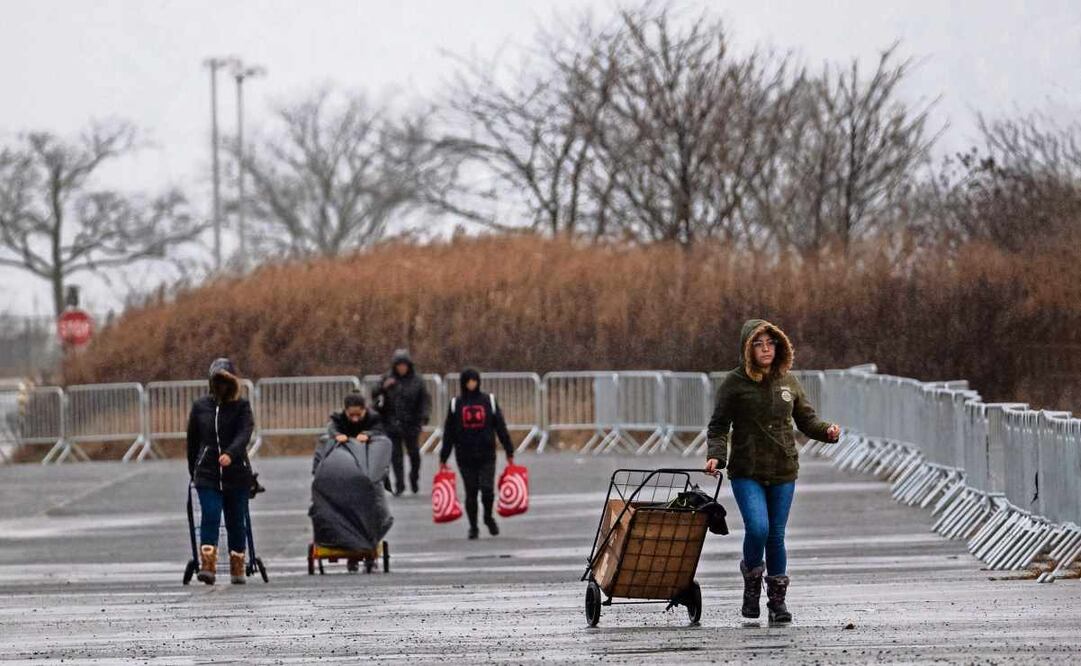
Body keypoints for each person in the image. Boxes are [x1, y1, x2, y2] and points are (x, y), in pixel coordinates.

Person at [704, 319, 841, 624]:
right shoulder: (734, 383)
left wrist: (828, 432)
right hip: (746, 471)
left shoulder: (788, 381)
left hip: (783, 469)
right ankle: (752, 584)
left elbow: (807, 420)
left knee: (776, 536)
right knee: (758, 529)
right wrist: (716, 456)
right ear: (747, 349)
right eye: (759, 344)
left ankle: (777, 602)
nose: (766, 349)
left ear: (778, 346)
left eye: (771, 343)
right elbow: (718, 426)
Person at [186, 358, 256, 585]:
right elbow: (192, 442)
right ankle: (208, 565)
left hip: (236, 472)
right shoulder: (200, 407)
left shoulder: (242, 406)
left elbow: (244, 434)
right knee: (211, 514)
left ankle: (238, 565)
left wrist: (231, 453)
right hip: (207, 473)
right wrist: (193, 471)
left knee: (236, 520)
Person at [439, 368, 515, 539]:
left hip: (487, 454)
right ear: (463, 383)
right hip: (464, 456)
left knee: (487, 490)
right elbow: (449, 433)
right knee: (471, 491)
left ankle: (488, 517)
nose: (472, 384)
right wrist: (444, 456)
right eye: (469, 381)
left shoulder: (489, 401)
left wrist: (509, 449)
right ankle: (473, 526)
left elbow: (500, 427)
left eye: (474, 380)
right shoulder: (455, 404)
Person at [372, 349, 431, 496]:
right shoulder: (387, 378)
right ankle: (400, 484)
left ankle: (414, 478)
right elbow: (374, 394)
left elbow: (425, 400)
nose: (401, 368)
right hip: (392, 422)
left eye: (404, 365)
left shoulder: (417, 380)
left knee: (414, 455)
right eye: (399, 365)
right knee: (396, 456)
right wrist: (383, 387)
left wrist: (424, 416)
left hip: (411, 423)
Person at [314, 391, 383, 474]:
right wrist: (337, 435)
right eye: (351, 415)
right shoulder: (338, 417)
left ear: (364, 410)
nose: (355, 419)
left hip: (368, 455)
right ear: (345, 410)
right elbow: (332, 428)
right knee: (324, 440)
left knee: (382, 442)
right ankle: (320, 471)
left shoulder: (373, 418)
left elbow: (379, 430)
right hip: (344, 452)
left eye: (358, 415)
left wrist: (368, 434)